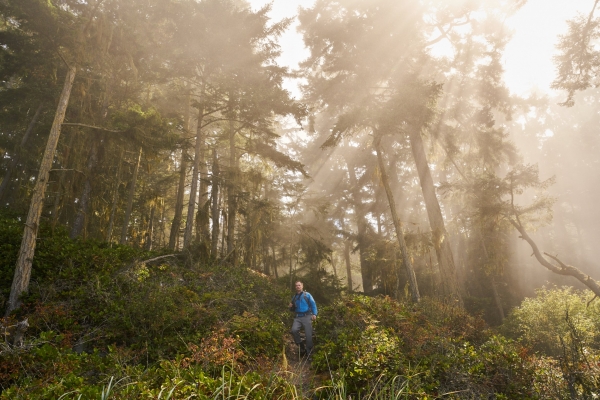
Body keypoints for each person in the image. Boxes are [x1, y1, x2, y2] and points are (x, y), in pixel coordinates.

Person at [289, 281, 318, 358]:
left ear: (302, 286)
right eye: (296, 285)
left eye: (299, 285)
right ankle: (301, 346)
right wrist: (290, 307)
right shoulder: (294, 297)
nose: (298, 286)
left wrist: (314, 314)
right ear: (295, 287)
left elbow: (313, 304)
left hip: (307, 316)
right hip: (298, 317)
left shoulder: (307, 295)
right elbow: (292, 309)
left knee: (308, 335)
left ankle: (309, 353)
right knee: (294, 330)